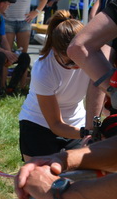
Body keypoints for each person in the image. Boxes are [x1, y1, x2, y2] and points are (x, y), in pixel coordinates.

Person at [15, 0, 117, 199]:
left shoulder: (99, 60)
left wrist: (92, 132)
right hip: (45, 128)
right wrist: (74, 149)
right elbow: (63, 123)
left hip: (78, 129)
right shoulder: (47, 69)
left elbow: (100, 112)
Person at [18, 10, 104, 162]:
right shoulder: (44, 70)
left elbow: (105, 93)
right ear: (54, 50)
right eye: (70, 62)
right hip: (38, 124)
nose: (78, 66)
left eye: (80, 59)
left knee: (77, 180)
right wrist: (88, 132)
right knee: (38, 181)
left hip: (77, 123)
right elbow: (56, 124)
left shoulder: (92, 58)